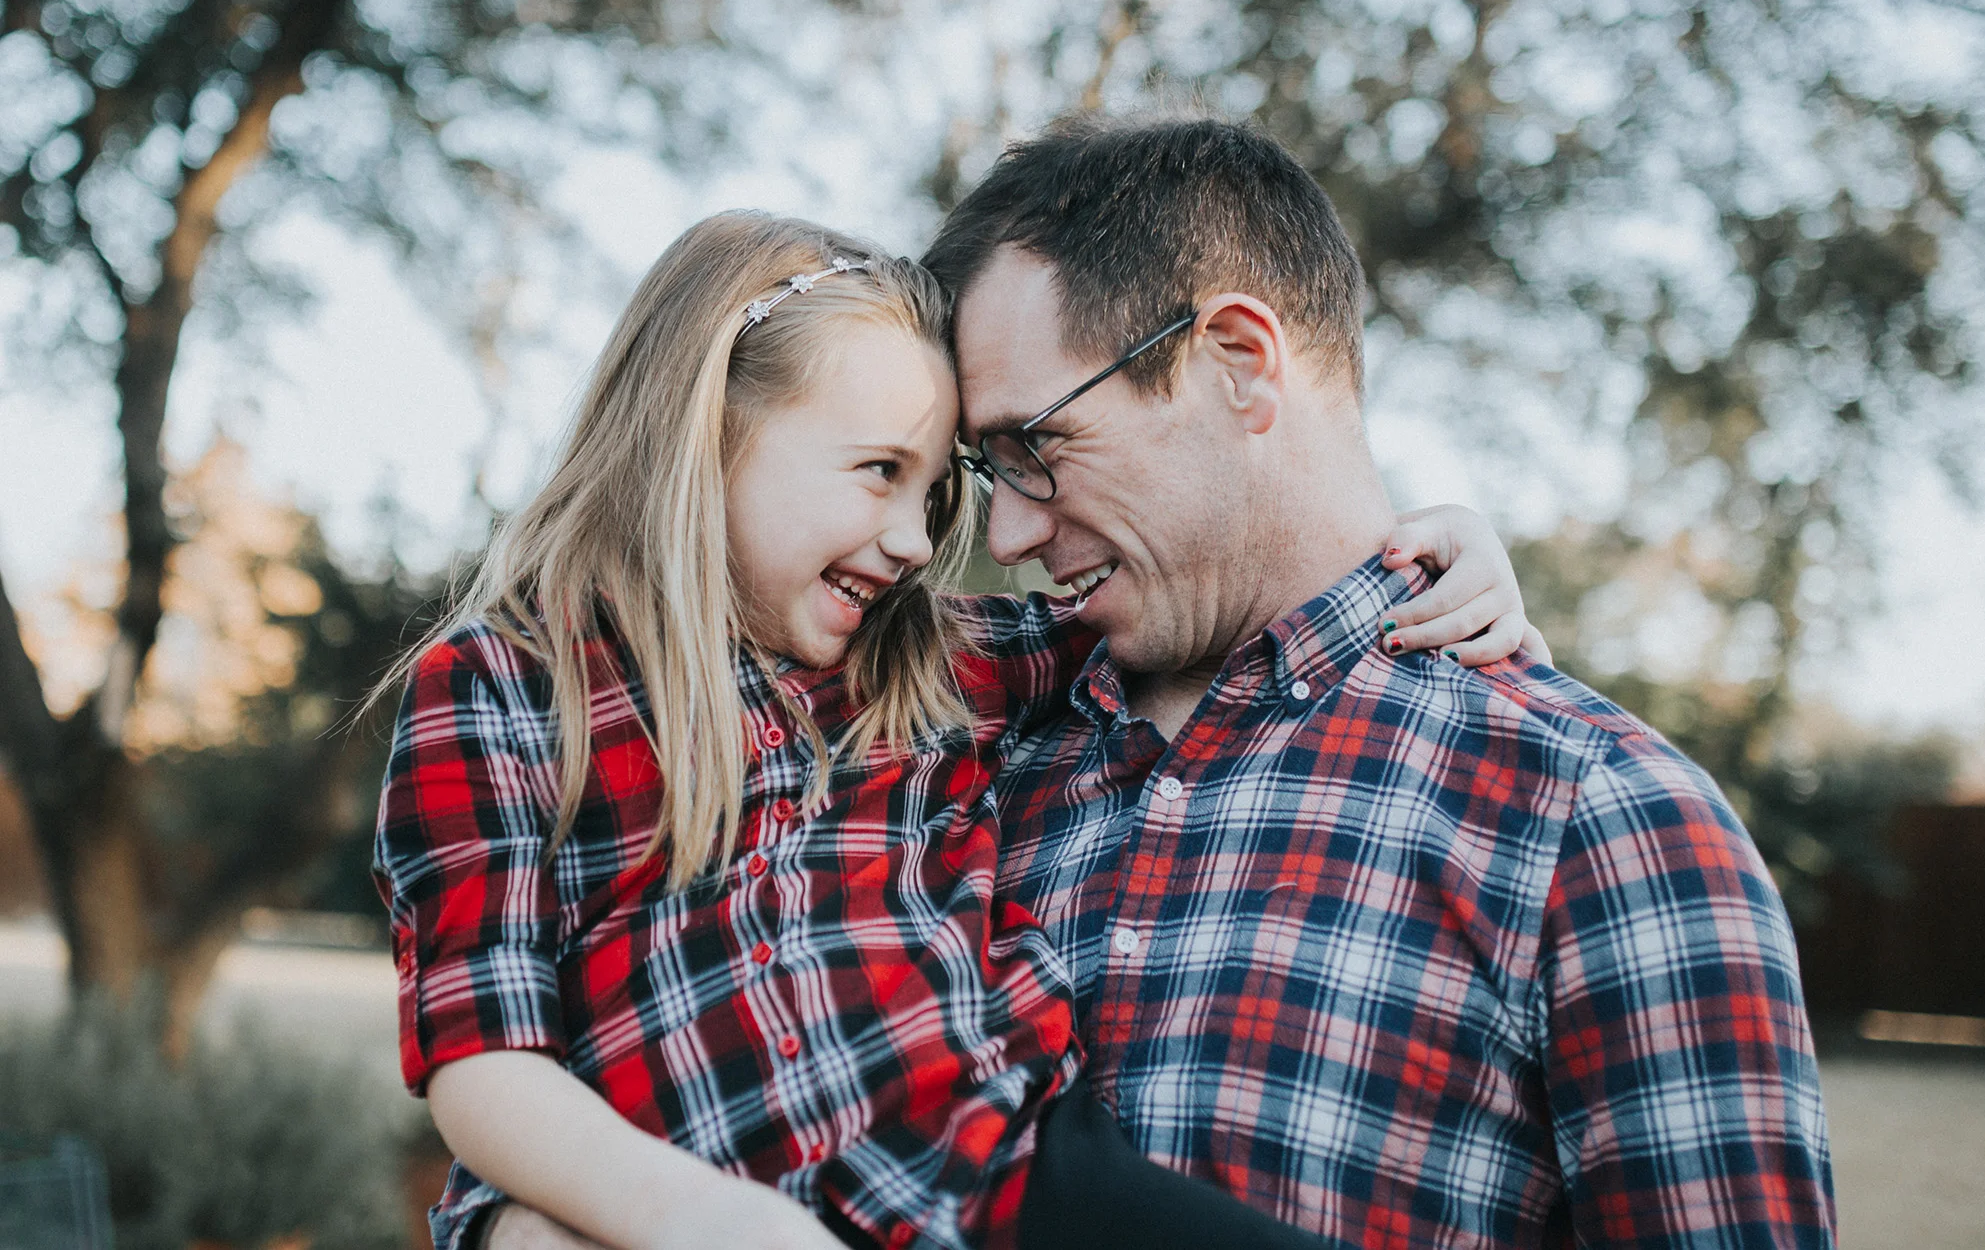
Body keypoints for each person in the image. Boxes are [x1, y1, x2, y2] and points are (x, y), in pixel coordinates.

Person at [372, 211, 1539, 1250]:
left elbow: (1192, 590)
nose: (916, 541)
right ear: (708, 429)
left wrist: (1421, 551)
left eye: (931, 492)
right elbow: (483, 1056)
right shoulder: (503, 688)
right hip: (715, 1202)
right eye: (878, 471)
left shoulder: (927, 658)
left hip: (1016, 1184)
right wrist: (700, 1219)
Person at [922, 114, 1838, 1249]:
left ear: (1237, 362)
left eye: (1039, 449)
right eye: (989, 470)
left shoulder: (1601, 822)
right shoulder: (945, 752)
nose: (1006, 534)